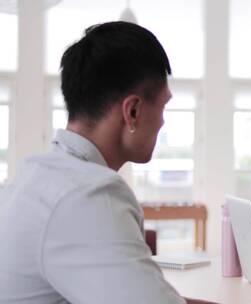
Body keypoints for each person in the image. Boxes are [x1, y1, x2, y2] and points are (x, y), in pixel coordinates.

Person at [0, 22, 213, 304]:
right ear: (133, 111)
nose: (162, 121)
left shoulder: (35, 176)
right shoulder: (90, 194)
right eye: (163, 106)